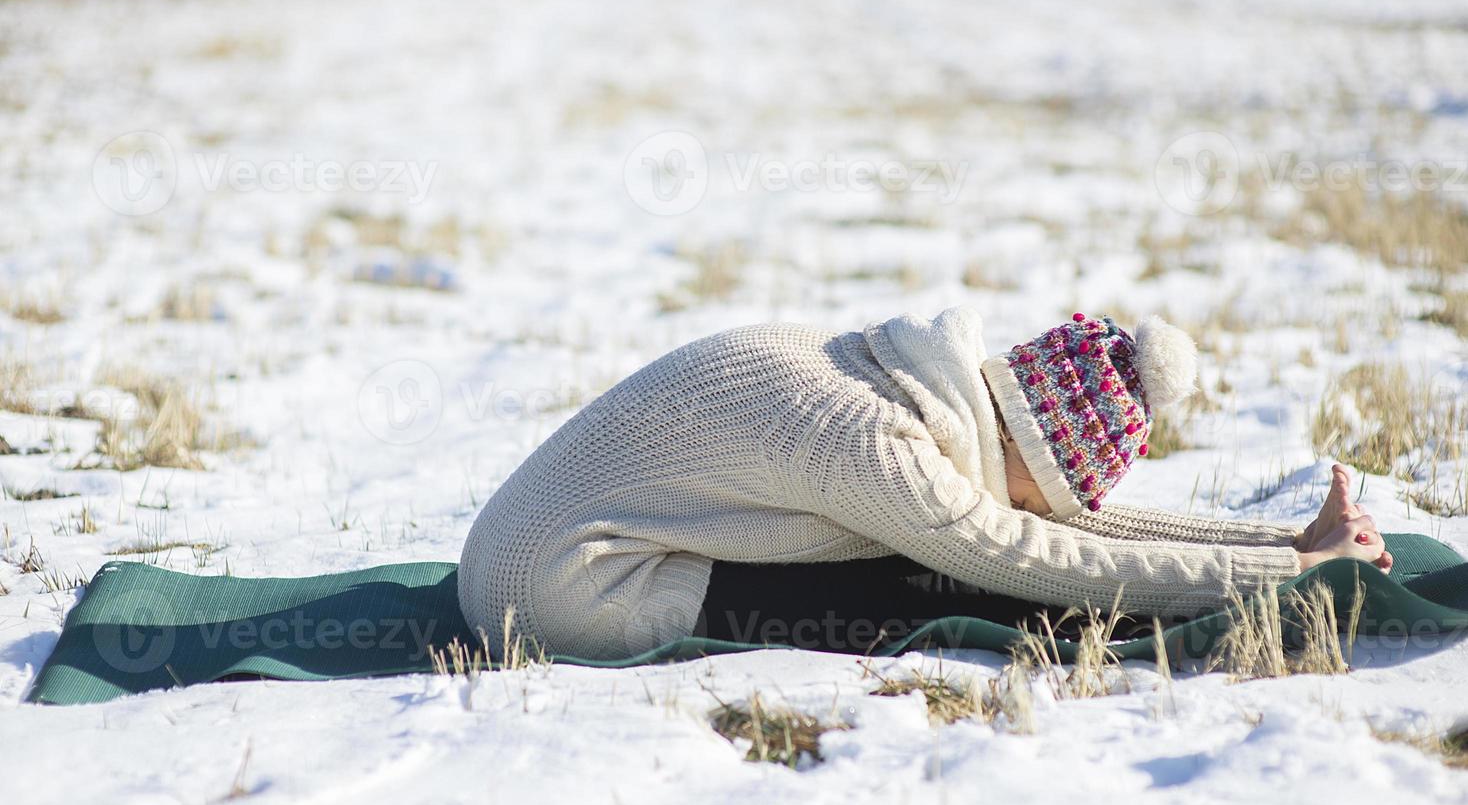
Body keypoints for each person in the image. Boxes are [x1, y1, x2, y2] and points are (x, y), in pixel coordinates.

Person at [458, 307, 1391, 660]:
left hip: (532, 553)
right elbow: (1032, 556)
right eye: (1046, 491)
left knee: (939, 556)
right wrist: (1296, 578)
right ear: (1025, 442)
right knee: (934, 586)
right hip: (564, 595)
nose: (1036, 509)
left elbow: (1047, 527)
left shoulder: (899, 378)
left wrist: (1283, 541)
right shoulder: (875, 441)